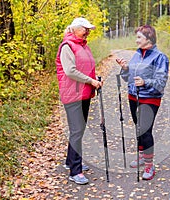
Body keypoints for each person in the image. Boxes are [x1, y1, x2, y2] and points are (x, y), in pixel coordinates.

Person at [116, 25, 169, 180]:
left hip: (150, 99)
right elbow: (128, 78)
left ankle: (149, 165)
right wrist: (125, 68)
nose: (136, 40)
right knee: (139, 128)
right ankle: (141, 156)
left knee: (145, 130)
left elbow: (161, 81)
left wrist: (145, 82)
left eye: (139, 37)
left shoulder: (160, 57)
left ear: (149, 39)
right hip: (133, 97)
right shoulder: (137, 55)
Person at [55, 17, 102, 185]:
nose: (87, 31)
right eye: (85, 29)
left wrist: (94, 78)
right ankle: (75, 171)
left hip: (83, 93)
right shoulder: (67, 46)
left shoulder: (83, 46)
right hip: (72, 94)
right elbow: (70, 71)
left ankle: (70, 161)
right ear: (74, 29)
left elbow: (85, 67)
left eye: (89, 29)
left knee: (79, 130)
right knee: (76, 131)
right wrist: (90, 81)